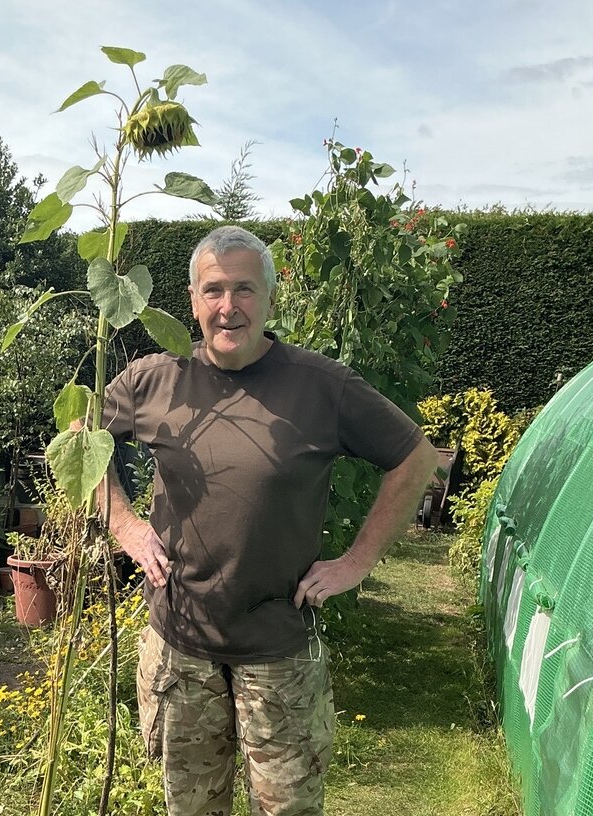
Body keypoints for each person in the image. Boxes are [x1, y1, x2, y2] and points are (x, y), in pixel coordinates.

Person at [100, 225, 441, 816]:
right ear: (192, 301)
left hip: (279, 650)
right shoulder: (153, 381)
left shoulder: (321, 386)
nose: (227, 307)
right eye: (213, 291)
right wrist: (126, 526)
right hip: (181, 649)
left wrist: (356, 563)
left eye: (244, 290)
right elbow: (80, 444)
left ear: (270, 299)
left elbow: (414, 458)